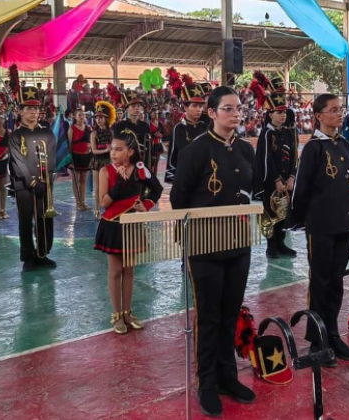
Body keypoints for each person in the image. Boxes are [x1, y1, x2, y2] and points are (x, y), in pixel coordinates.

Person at [170, 86, 256, 417]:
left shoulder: (246, 150)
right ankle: (207, 382)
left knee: (230, 313)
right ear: (212, 113)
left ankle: (227, 377)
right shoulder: (195, 151)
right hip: (205, 246)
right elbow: (179, 198)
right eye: (228, 108)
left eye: (239, 108)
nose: (236, 114)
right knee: (209, 317)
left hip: (239, 242)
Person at [292, 92, 349, 367]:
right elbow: (301, 188)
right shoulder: (313, 148)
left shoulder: (345, 145)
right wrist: (298, 221)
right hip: (320, 225)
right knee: (320, 282)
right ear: (318, 116)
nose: (338, 114)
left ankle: (332, 332)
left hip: (344, 221)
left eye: (340, 109)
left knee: (337, 280)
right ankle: (318, 338)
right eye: (332, 110)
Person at [95, 131, 162, 334]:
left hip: (132, 224)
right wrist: (119, 184)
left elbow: (157, 189)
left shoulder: (140, 169)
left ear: (131, 151)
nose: (113, 153)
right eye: (112, 148)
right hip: (113, 224)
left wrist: (146, 205)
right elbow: (104, 202)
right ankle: (116, 314)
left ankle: (127, 312)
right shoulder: (105, 171)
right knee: (115, 271)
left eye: (119, 149)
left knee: (129, 271)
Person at [9, 86, 58, 272]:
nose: (33, 112)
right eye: (28, 108)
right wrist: (32, 182)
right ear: (20, 111)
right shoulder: (15, 135)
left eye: (36, 109)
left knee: (44, 219)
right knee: (25, 220)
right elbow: (17, 162)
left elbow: (52, 156)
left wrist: (46, 179)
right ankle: (28, 256)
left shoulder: (47, 132)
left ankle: (43, 253)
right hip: (24, 185)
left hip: (45, 182)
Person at [253, 90, 298, 259]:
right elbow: (266, 159)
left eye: (284, 112)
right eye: (279, 112)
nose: (283, 115)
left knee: (285, 212)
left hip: (288, 181)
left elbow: (294, 156)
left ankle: (281, 243)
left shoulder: (289, 132)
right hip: (272, 183)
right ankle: (271, 245)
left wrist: (292, 176)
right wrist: (276, 180)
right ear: (270, 114)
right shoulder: (267, 133)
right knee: (272, 213)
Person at [165, 82, 207, 183]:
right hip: (185, 177)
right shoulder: (179, 128)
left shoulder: (204, 127)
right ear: (185, 107)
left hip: (204, 176)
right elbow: (173, 155)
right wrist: (173, 177)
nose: (199, 109)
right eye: (195, 106)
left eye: (200, 106)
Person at [113, 92, 153, 175]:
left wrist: (150, 163)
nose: (137, 108)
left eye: (138, 106)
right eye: (133, 106)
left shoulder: (145, 125)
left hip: (142, 163)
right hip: (125, 163)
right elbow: (115, 146)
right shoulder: (120, 125)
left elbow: (149, 146)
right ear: (127, 109)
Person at [90, 101, 115, 218]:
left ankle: (109, 208)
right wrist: (106, 150)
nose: (98, 120)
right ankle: (96, 210)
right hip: (98, 161)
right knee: (97, 186)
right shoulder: (93, 133)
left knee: (110, 186)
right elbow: (94, 151)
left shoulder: (111, 133)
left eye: (101, 117)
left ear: (106, 119)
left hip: (109, 162)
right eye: (96, 118)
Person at [68, 109, 92, 211]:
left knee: (83, 181)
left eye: (83, 115)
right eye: (79, 115)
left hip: (86, 157)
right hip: (75, 157)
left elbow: (91, 142)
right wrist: (69, 159)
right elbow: (69, 145)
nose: (82, 117)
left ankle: (83, 202)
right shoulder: (71, 129)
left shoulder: (88, 128)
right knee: (75, 180)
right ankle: (78, 203)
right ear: (75, 117)